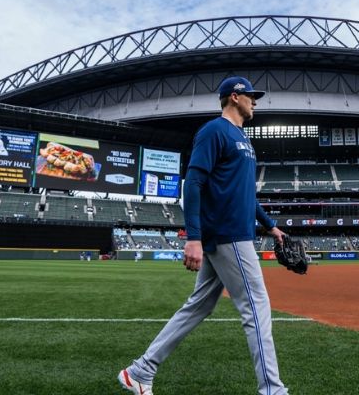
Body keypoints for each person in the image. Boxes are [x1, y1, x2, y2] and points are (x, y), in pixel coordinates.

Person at [118, 76, 289, 395]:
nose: (255, 101)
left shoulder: (243, 138)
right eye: (251, 96)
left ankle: (140, 371)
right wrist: (193, 238)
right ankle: (273, 391)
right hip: (227, 234)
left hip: (233, 233)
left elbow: (246, 195)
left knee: (199, 306)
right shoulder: (214, 131)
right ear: (235, 97)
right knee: (256, 307)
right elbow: (193, 183)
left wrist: (271, 225)